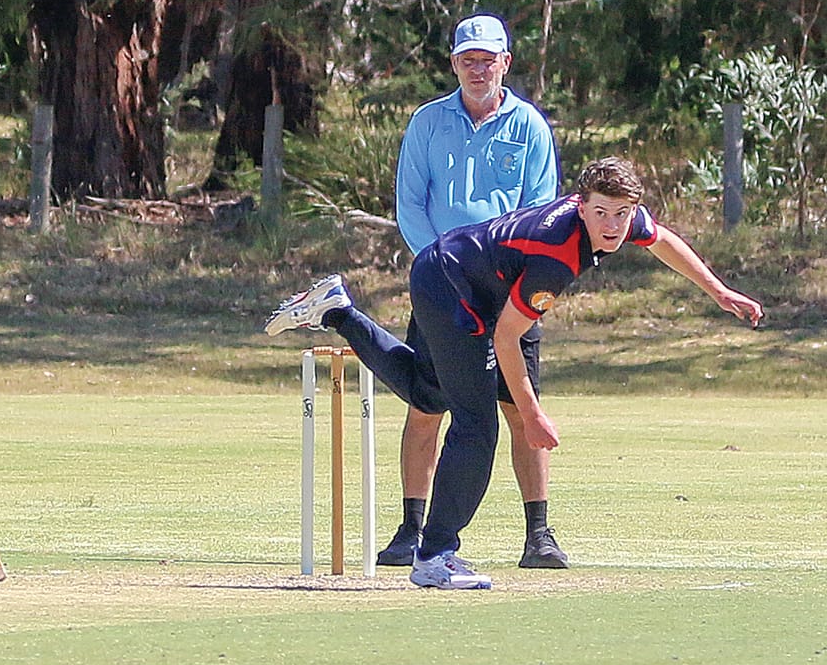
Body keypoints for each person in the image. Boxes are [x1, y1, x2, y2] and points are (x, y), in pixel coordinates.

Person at [266, 156, 762, 590]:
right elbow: (507, 338)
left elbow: (662, 240)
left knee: (427, 393)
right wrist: (532, 415)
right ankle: (434, 555)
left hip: (461, 276)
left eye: (622, 214)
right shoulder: (556, 257)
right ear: (580, 204)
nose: (613, 226)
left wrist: (718, 292)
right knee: (477, 426)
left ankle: (338, 311)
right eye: (601, 214)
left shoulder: (619, 220)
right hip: (453, 286)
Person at [386, 12, 564, 570]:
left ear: (505, 63)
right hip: (443, 288)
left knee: (520, 407)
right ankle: (412, 529)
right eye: (468, 59)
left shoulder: (529, 125)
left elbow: (542, 207)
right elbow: (410, 204)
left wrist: (515, 276)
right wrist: (440, 269)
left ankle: (538, 534)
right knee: (426, 405)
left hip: (509, 289)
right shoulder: (428, 122)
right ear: (455, 63)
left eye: (488, 59)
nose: (478, 68)